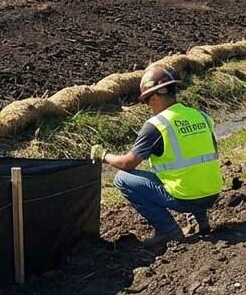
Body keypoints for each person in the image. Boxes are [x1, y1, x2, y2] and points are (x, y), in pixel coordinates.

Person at [91, 64, 222, 245]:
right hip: (212, 192)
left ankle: (167, 230)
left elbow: (128, 163)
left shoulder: (157, 124)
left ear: (154, 96)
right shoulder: (200, 116)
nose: (148, 105)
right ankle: (201, 222)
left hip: (186, 198)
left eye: (146, 100)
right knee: (189, 174)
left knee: (122, 179)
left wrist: (103, 155)